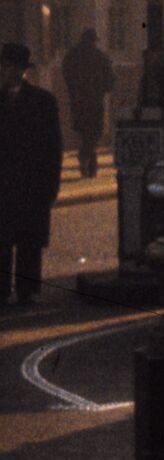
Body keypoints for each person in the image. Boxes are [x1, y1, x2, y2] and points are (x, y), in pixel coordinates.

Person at [0, 43, 63, 307]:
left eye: (10, 67)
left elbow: (53, 146)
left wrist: (51, 185)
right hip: (3, 182)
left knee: (29, 240)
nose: (7, 72)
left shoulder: (43, 101)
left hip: (31, 182)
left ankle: (27, 289)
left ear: (21, 70)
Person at [60, 28, 114, 179]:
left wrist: (74, 89)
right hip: (95, 101)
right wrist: (102, 88)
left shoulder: (72, 55)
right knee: (95, 132)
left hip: (77, 101)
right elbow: (110, 79)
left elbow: (66, 74)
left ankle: (88, 162)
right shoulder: (99, 56)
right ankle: (85, 157)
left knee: (84, 132)